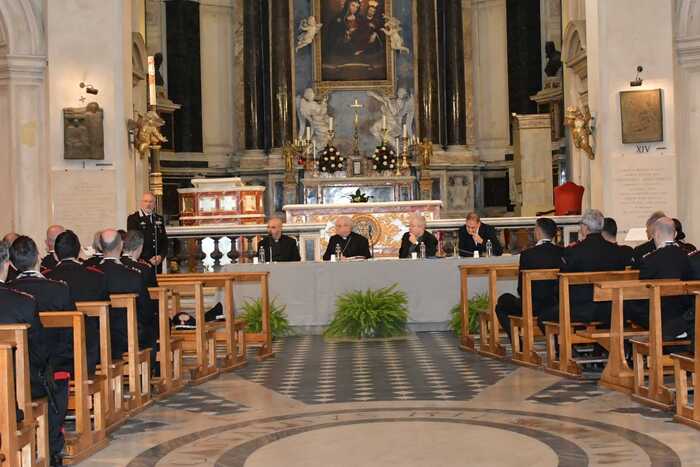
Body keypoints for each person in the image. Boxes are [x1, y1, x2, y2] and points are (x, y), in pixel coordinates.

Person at [8, 236, 74, 465]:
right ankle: (54, 448)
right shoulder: (56, 290)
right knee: (54, 372)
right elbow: (46, 346)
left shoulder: (11, 291)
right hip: (32, 375)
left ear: (13, 265)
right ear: (38, 257)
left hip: (10, 371)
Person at [45, 230, 108, 372]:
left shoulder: (47, 278)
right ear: (79, 251)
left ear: (55, 254)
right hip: (89, 348)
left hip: (53, 349)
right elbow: (106, 313)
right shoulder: (96, 277)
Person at [495, 218, 564, 341]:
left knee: (501, 303)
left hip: (533, 305)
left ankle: (518, 344)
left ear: (538, 232)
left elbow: (521, 287)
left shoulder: (528, 254)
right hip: (556, 305)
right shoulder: (563, 252)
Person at [561, 209, 632, 325]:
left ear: (585, 227)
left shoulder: (574, 251)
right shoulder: (616, 251)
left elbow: (562, 278)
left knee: (544, 316)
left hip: (582, 308)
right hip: (611, 306)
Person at [625, 218, 692, 339]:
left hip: (657, 314)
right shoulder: (687, 257)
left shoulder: (649, 260)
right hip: (683, 314)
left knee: (630, 305)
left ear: (656, 234)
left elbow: (643, 292)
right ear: (675, 234)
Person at [93, 229, 154, 359]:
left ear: (100, 247)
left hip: (98, 337)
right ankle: (151, 369)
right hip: (128, 337)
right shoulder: (133, 276)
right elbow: (147, 312)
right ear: (121, 245)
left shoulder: (90, 274)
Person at [127, 192, 168, 267]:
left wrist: (161, 256)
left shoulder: (159, 218)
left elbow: (164, 241)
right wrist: (145, 260)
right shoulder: (133, 218)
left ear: (154, 204)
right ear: (141, 203)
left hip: (157, 262)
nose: (148, 204)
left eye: (151, 202)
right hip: (141, 263)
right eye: (145, 201)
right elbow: (133, 242)